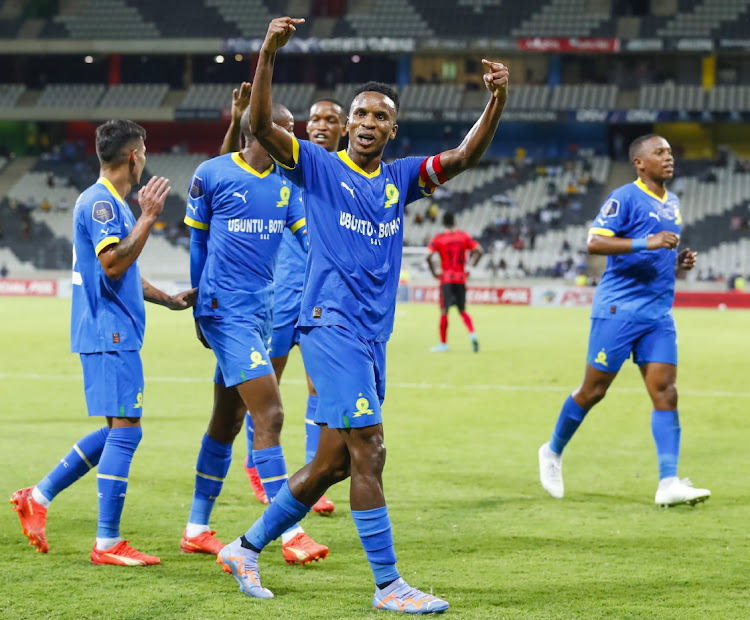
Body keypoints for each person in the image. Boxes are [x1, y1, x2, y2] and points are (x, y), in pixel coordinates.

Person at [216, 16, 508, 613]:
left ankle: (244, 548)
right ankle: (388, 586)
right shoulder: (318, 167)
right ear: (346, 123)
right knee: (370, 447)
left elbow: (463, 156)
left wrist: (496, 101)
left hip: (372, 336)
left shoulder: (400, 180)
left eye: (381, 117)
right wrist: (268, 55)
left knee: (331, 464)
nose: (369, 123)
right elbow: (260, 124)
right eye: (361, 114)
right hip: (328, 325)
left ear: (392, 129)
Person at [10, 119, 196, 565]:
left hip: (113, 330)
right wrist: (150, 216)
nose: (145, 161)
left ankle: (38, 496)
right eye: (145, 153)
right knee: (127, 432)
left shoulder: (110, 203)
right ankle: (107, 542)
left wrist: (166, 299)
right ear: (135, 156)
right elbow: (113, 265)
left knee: (119, 430)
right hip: (107, 332)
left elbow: (123, 270)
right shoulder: (102, 205)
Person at [180, 100, 328, 566]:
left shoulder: (287, 186)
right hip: (225, 313)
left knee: (225, 420)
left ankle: (196, 528)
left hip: (261, 312)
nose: (296, 140)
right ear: (268, 131)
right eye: (290, 130)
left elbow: (311, 241)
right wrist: (201, 307)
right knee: (271, 414)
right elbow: (198, 241)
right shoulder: (213, 174)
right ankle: (290, 531)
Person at [538, 134, 711, 508]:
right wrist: (648, 243)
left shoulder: (674, 203)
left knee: (666, 392)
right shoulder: (625, 197)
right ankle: (552, 451)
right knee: (593, 391)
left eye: (669, 151)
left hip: (658, 314)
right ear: (639, 162)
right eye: (659, 152)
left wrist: (677, 262)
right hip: (618, 311)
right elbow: (595, 242)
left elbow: (660, 252)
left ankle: (668, 482)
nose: (668, 158)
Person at [219, 82, 347, 516]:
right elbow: (229, 169)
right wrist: (239, 120)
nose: (323, 125)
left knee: (319, 386)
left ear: (345, 128)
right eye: (316, 119)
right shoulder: (287, 165)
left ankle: (312, 475)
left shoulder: (347, 174)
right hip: (277, 295)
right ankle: (257, 466)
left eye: (332, 119)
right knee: (263, 389)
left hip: (320, 298)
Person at [426, 211, 483, 353]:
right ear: (455, 222)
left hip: (446, 278)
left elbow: (428, 255)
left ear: (443, 223)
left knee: (444, 310)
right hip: (461, 277)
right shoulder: (463, 236)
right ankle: (472, 334)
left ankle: (443, 344)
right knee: (462, 310)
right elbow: (479, 251)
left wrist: (434, 272)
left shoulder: (439, 238)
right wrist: (470, 267)